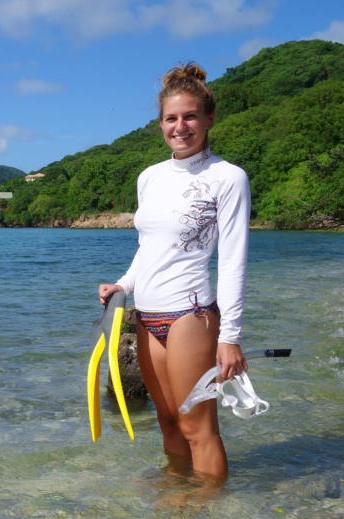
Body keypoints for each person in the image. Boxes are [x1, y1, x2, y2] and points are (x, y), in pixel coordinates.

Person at [98, 63, 250, 479]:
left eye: (190, 116)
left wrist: (230, 337)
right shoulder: (149, 178)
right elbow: (149, 248)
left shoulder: (228, 178)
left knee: (197, 428)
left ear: (208, 118)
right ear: (160, 123)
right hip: (147, 316)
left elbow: (234, 260)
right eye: (171, 118)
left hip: (192, 315)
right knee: (167, 423)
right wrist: (123, 284)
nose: (180, 126)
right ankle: (178, 511)